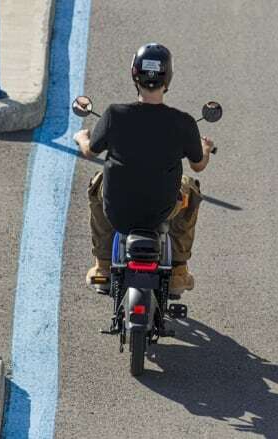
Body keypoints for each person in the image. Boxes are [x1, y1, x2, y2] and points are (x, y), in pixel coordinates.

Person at [73, 43, 215, 295]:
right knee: (190, 189)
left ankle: (103, 266)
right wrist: (204, 149)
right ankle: (179, 272)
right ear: (167, 78)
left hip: (118, 212)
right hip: (163, 211)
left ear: (134, 76)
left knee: (97, 184)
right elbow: (198, 165)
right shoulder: (183, 122)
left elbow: (90, 151)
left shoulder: (114, 114)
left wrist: (82, 137)